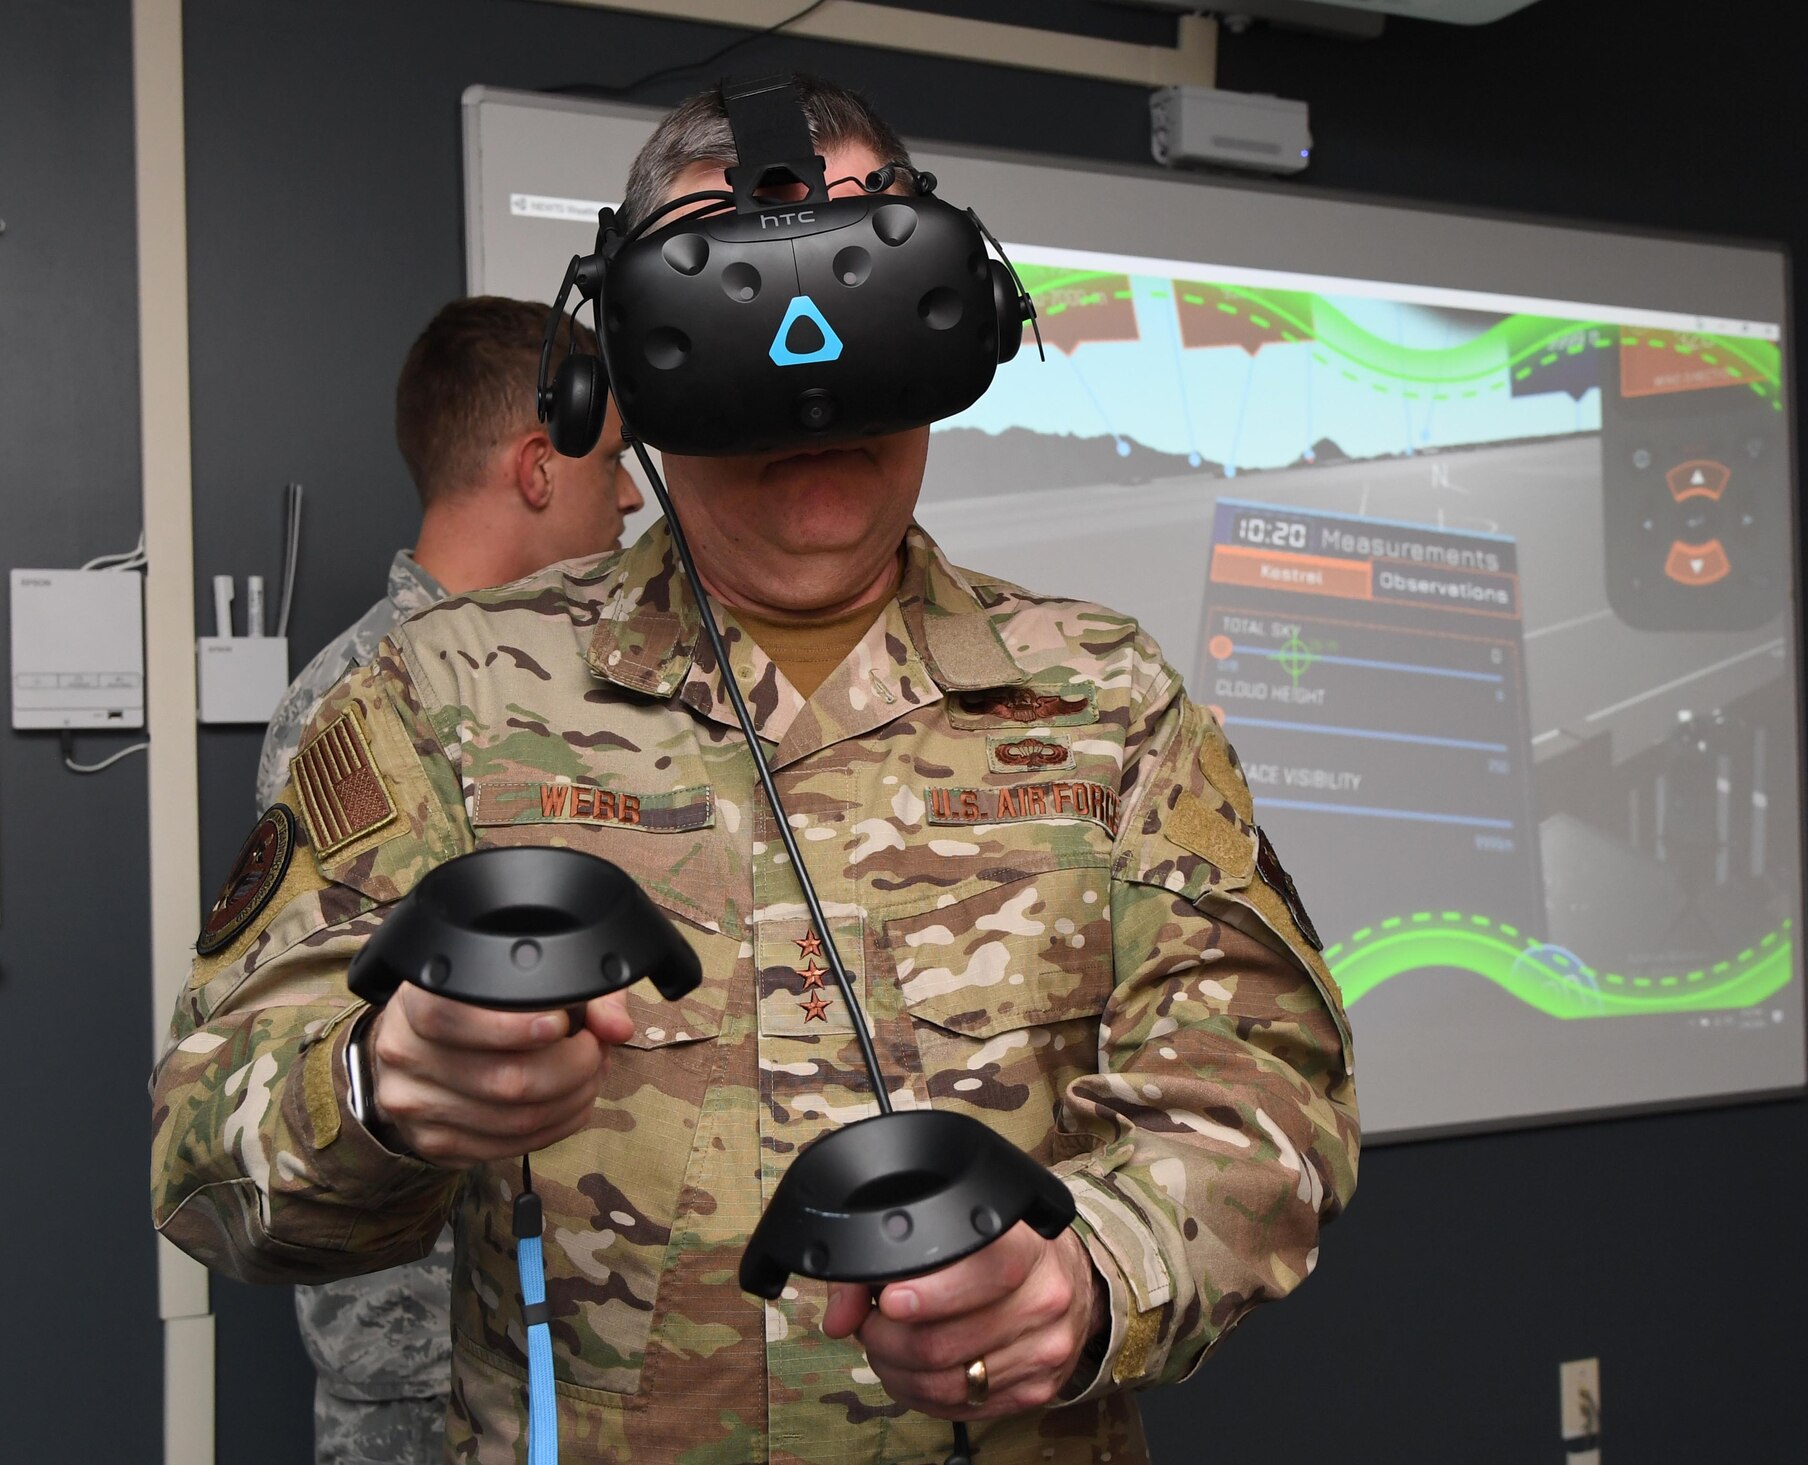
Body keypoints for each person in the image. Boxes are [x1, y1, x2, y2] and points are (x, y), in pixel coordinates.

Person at [153, 76, 1359, 1465]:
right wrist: (374, 1085)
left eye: (867, 290)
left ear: (960, 318)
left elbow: (1264, 1091)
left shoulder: (1107, 702)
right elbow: (204, 1152)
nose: (809, 373)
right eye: (733, 312)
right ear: (616, 376)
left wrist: (1094, 1278)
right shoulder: (444, 699)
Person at [255, 295, 641, 1465]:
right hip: (428, 1361)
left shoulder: (563, 692)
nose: (629, 496)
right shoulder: (366, 701)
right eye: (615, 462)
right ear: (539, 466)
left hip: (568, 1338)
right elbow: (307, 1047)